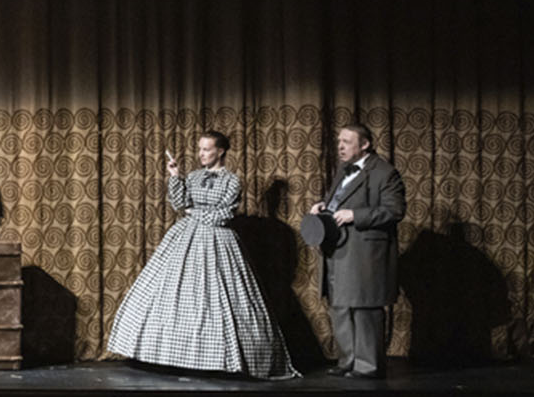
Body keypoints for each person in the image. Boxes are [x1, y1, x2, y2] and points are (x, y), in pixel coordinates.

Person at [107, 131, 298, 379]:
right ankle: (175, 356)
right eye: (200, 149)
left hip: (218, 241)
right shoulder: (194, 177)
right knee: (174, 294)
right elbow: (179, 204)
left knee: (218, 298)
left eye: (207, 149)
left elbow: (223, 216)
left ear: (220, 151)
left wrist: (193, 212)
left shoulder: (232, 181)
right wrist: (175, 177)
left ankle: (220, 359)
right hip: (185, 239)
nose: (201, 154)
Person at [307, 123, 405, 379]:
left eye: (347, 142)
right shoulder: (343, 170)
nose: (340, 146)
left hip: (364, 252)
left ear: (365, 144)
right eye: (339, 141)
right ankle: (347, 360)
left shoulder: (384, 173)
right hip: (338, 248)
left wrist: (356, 215)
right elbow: (339, 201)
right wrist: (323, 207)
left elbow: (394, 211)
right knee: (339, 305)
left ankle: (367, 366)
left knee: (364, 307)